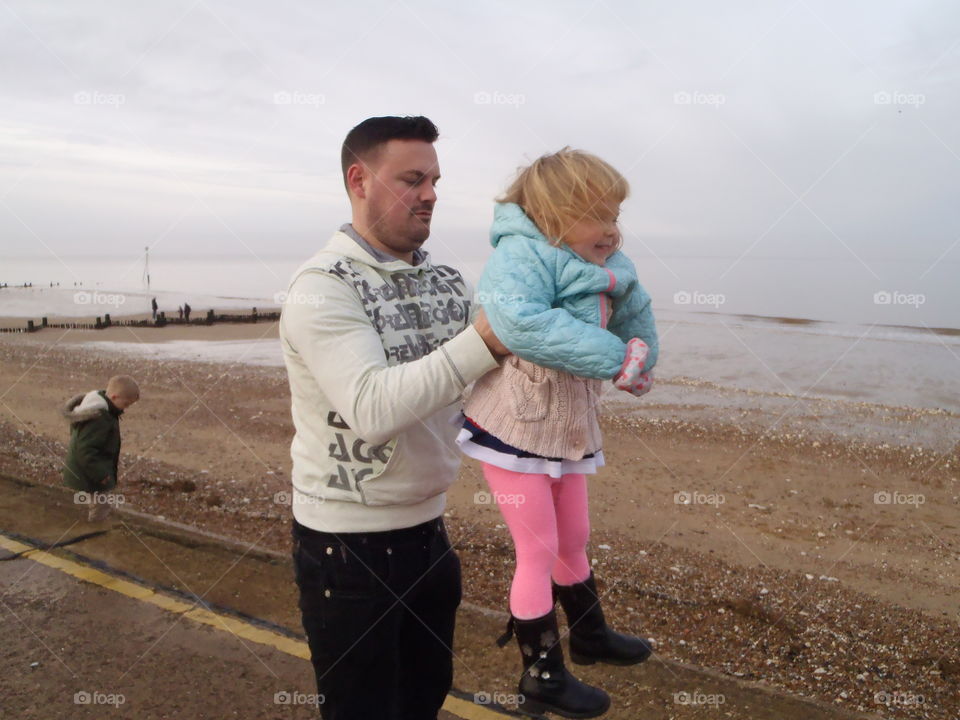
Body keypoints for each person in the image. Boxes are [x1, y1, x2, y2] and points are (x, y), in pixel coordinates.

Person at [279, 115, 508, 720]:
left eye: (435, 180)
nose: (431, 194)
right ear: (359, 180)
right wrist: (485, 341)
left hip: (430, 532)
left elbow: (488, 378)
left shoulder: (443, 277)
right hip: (346, 547)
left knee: (422, 699)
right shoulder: (322, 285)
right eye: (413, 179)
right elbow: (372, 409)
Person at [458, 148, 659, 718]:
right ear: (555, 214)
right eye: (601, 215)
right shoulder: (519, 257)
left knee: (575, 534)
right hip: (514, 424)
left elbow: (635, 312)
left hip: (567, 424)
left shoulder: (608, 261)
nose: (614, 229)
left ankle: (591, 635)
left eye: (618, 214)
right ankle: (541, 672)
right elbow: (522, 323)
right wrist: (614, 357)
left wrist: (640, 362)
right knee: (537, 549)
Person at [61, 375, 140, 523]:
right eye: (126, 404)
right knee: (100, 501)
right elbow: (85, 450)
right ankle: (96, 526)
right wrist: (102, 475)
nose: (127, 408)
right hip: (90, 469)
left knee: (97, 497)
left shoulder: (96, 407)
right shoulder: (99, 418)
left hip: (89, 465)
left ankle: (93, 517)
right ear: (115, 396)